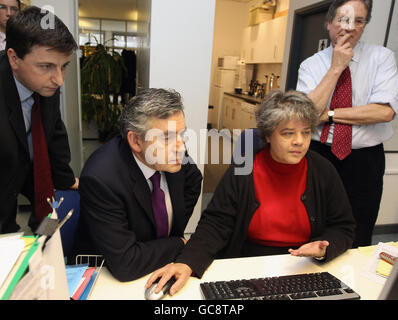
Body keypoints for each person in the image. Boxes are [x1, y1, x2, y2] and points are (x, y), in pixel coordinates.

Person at [145, 90, 355, 296]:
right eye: (288, 133)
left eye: (306, 132)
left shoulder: (323, 170)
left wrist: (325, 247)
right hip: (249, 263)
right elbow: (216, 223)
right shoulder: (244, 169)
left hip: (304, 268)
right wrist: (187, 262)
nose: (299, 141)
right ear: (267, 135)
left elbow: (343, 226)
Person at [296, 0, 398, 247]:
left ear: (364, 26)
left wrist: (329, 114)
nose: (350, 27)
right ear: (329, 23)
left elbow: (384, 112)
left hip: (365, 160)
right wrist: (336, 67)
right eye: (343, 19)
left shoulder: (382, 58)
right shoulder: (311, 66)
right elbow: (307, 115)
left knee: (360, 225)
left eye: (359, 21)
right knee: (315, 221)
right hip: (320, 154)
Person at [73, 88, 203, 282]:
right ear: (135, 140)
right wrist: (178, 243)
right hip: (103, 275)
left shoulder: (173, 153)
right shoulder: (101, 178)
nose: (181, 146)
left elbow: (193, 180)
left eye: (182, 134)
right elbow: (126, 264)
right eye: (166, 137)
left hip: (158, 266)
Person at [0, 6, 79, 234]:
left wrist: (67, 180)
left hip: (20, 179)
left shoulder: (44, 85)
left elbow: (54, 134)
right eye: (46, 66)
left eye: (64, 67)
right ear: (14, 58)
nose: (59, 80)